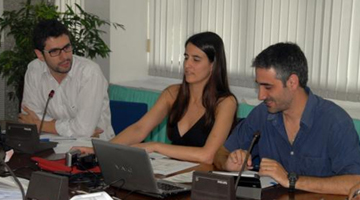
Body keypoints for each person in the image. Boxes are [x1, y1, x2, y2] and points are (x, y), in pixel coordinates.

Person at [214, 42, 360, 195]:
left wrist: (290, 180)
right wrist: (227, 162)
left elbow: (355, 182)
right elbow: (220, 153)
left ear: (292, 82)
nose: (260, 95)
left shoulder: (335, 121)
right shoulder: (262, 114)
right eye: (259, 86)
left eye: (268, 87)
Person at [77, 31, 238, 164]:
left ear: (213, 65)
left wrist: (155, 146)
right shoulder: (172, 94)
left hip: (204, 179)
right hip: (171, 172)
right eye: (186, 57)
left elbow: (207, 155)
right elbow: (140, 129)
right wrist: (100, 151)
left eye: (196, 59)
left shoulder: (225, 103)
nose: (187, 65)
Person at [18, 19, 115, 140]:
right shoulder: (34, 70)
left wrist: (41, 125)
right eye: (54, 51)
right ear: (40, 55)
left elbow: (84, 130)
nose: (64, 57)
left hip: (93, 148)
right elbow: (29, 117)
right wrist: (75, 128)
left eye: (67, 47)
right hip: (50, 143)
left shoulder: (90, 73)